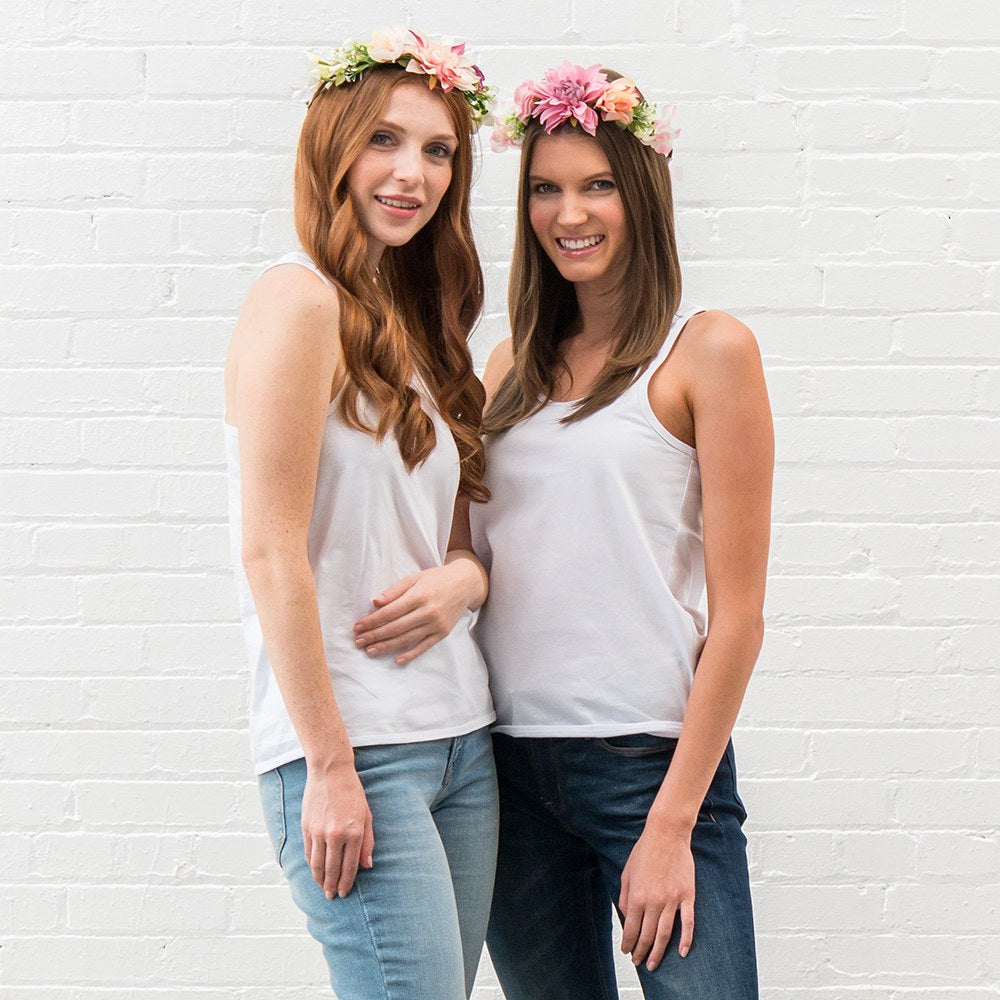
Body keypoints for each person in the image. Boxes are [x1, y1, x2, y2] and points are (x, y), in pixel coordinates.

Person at [470, 63, 774, 999]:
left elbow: (741, 618)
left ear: (641, 193)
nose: (572, 213)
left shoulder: (708, 350)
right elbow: (472, 557)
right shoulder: (508, 365)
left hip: (653, 764)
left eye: (597, 184)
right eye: (546, 189)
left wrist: (673, 824)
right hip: (507, 769)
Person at [223, 28, 499, 1000]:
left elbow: (461, 546)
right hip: (354, 749)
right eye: (384, 140)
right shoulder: (297, 303)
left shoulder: (428, 334)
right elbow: (270, 552)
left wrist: (465, 578)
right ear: (333, 146)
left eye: (437, 151)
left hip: (462, 738)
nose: (410, 172)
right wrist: (328, 766)